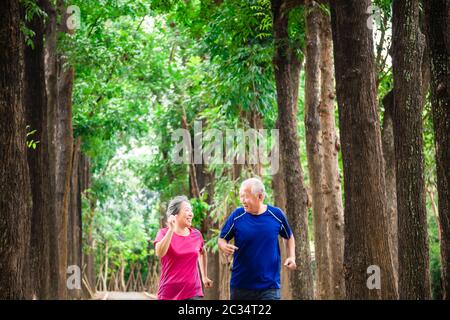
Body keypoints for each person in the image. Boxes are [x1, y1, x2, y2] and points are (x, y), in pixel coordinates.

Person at [218, 177, 296, 300]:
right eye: (241, 196)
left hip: (269, 287)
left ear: (260, 196)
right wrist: (224, 246)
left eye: (245, 196)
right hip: (241, 286)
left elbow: (289, 236)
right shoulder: (237, 216)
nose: (242, 200)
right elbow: (222, 238)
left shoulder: (276, 215)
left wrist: (291, 256)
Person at [154, 195, 213, 300]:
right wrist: (171, 230)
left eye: (191, 211)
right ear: (175, 215)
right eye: (187, 210)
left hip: (193, 292)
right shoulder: (163, 233)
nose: (191, 214)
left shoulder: (196, 234)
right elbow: (159, 252)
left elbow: (202, 252)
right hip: (169, 293)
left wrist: (204, 276)